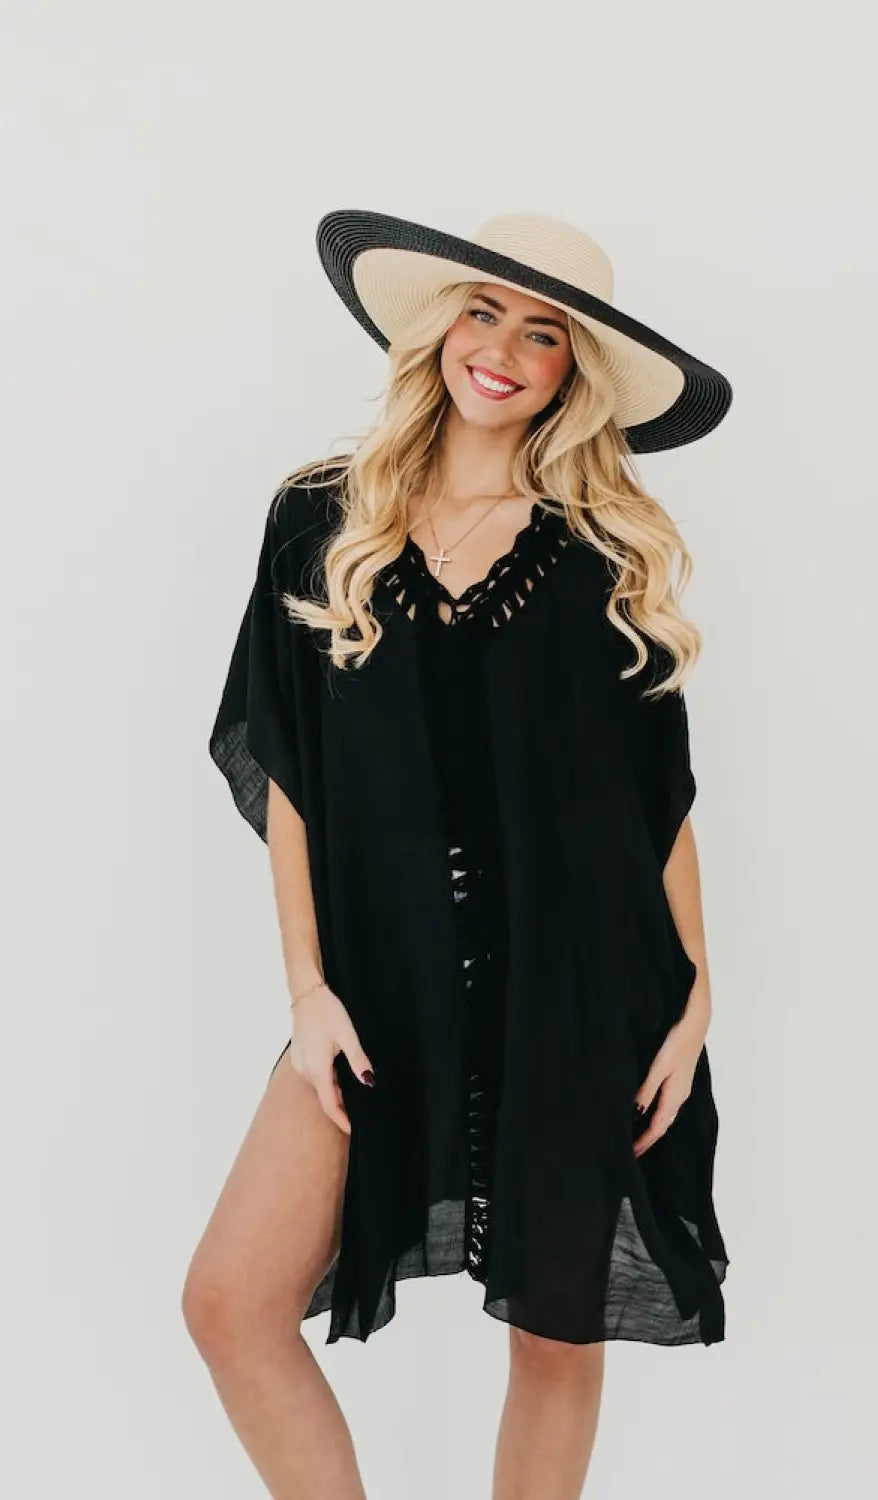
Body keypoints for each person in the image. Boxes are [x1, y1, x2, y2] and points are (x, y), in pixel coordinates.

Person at [182, 207, 734, 1500]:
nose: (503, 350)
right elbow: (292, 774)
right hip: (378, 980)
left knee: (556, 1329)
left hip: (580, 986)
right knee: (230, 1303)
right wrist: (309, 991)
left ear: (572, 370)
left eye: (544, 332)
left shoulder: (604, 554)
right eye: (484, 312)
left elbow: (655, 801)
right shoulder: (323, 516)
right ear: (437, 327)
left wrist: (698, 995)